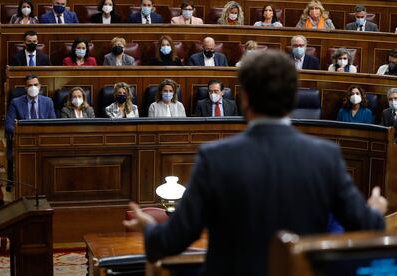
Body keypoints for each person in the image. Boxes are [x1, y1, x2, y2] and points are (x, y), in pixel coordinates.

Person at [123, 50, 386, 276]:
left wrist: (149, 229)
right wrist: (375, 208)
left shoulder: (215, 158)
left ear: (245, 99)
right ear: (293, 99)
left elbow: (172, 240)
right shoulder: (325, 156)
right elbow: (369, 228)